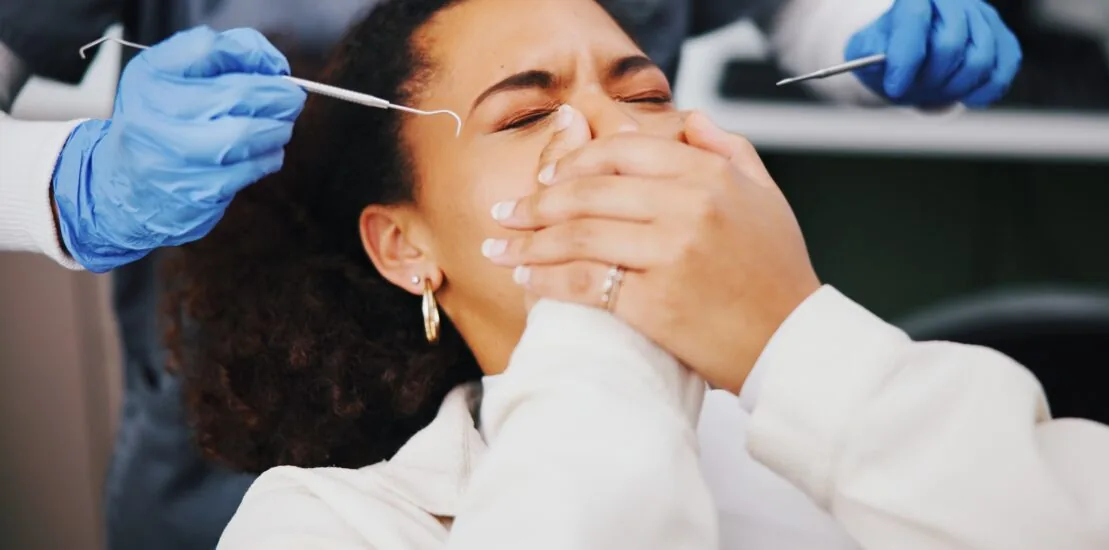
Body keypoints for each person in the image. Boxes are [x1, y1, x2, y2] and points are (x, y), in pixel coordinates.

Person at [0, 0, 1024, 548]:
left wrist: (862, 29)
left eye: (647, 91)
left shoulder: (824, 430)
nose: (604, 136)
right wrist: (64, 183)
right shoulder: (311, 527)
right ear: (402, 242)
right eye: (526, 114)